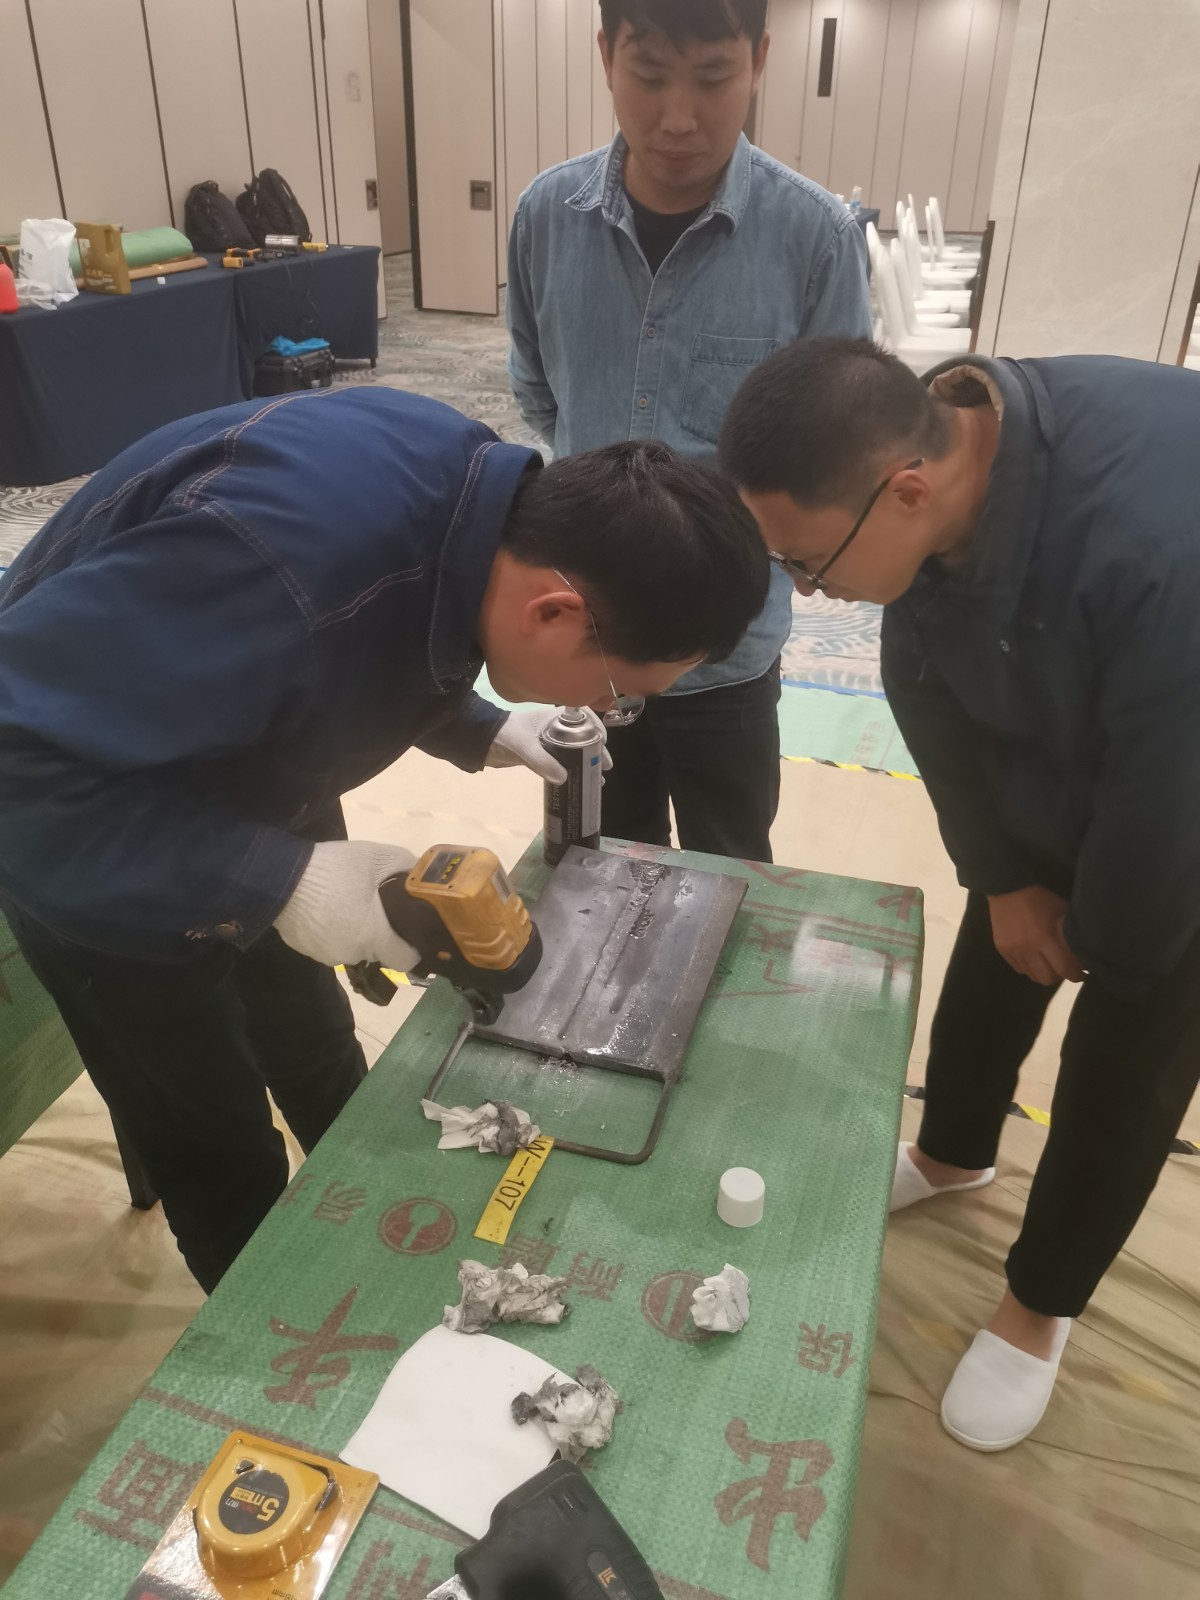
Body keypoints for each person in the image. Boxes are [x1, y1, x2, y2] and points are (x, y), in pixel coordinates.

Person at [0, 385, 768, 1292]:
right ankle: (285, 1337)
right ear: (554, 613)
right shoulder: (271, 564)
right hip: (87, 826)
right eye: (618, 688)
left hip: (243, 760)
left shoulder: (474, 497)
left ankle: (370, 1246)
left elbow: (379, 626)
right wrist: (282, 881)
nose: (606, 707)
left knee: (314, 1039)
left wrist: (474, 721)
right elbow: (23, 767)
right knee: (216, 1142)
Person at [719, 335, 1200, 1451]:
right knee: (1000, 951)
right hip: (1080, 725)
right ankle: (955, 1152)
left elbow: (1168, 794)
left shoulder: (1154, 545)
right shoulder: (946, 453)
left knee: (1132, 1044)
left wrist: (1112, 949)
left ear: (907, 491)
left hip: (1184, 783)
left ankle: (1041, 1301)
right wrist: (1007, 877)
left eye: (808, 562)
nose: (805, 590)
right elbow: (924, 686)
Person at [505, 0, 871, 862]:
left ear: (759, 60)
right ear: (606, 54)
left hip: (727, 649)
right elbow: (540, 393)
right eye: (649, 74)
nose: (677, 117)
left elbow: (834, 441)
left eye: (711, 78)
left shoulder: (813, 237)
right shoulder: (546, 216)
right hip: (593, 638)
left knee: (732, 859)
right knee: (602, 855)